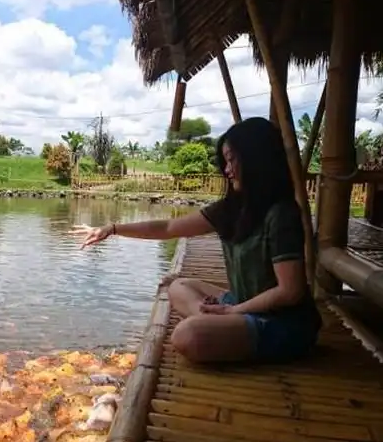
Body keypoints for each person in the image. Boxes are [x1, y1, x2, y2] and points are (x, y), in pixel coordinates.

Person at [70, 117, 321, 364]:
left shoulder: (282, 214)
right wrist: (112, 229)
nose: (227, 170)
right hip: (243, 303)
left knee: (188, 335)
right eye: (225, 161)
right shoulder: (232, 209)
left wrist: (233, 311)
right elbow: (168, 227)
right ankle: (217, 321)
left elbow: (290, 292)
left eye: (232, 160)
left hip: (282, 322)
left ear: (256, 159)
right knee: (178, 287)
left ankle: (217, 322)